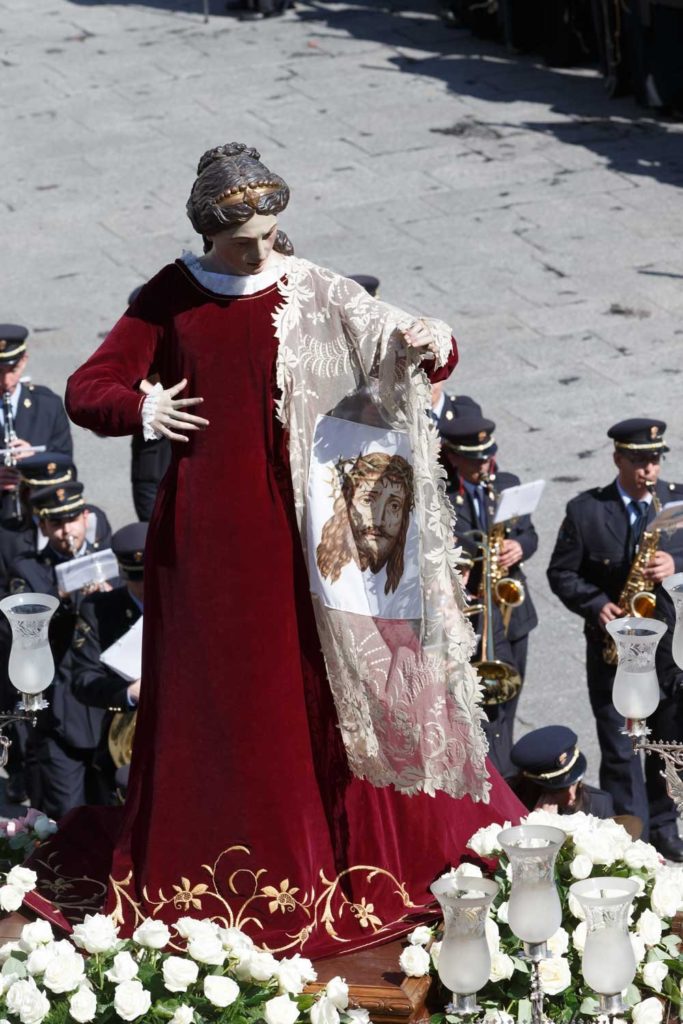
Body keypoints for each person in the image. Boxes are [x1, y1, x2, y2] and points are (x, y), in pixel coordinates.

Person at [37, 142, 522, 954]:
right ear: (210, 233)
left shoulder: (312, 289)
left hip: (299, 539)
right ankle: (213, 868)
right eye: (244, 237)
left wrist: (426, 348)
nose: (260, 248)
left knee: (306, 689)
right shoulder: (170, 296)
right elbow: (89, 388)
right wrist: (142, 408)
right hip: (202, 544)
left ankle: (327, 857)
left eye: (268, 231)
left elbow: (405, 342)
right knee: (218, 701)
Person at [547, 418, 683, 858]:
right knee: (623, 750)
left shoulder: (678, 503)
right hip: (614, 653)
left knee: (668, 744)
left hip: (667, 652)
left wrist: (674, 568)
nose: (650, 469)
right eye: (640, 460)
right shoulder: (586, 511)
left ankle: (664, 824)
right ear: (618, 459)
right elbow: (561, 572)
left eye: (655, 459)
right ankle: (635, 838)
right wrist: (595, 604)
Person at [439, 414, 538, 776]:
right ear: (454, 457)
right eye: (475, 459)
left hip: (512, 613)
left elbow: (530, 534)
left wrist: (518, 547)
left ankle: (509, 777)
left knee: (509, 701)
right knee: (479, 712)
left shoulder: (507, 485)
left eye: (487, 457)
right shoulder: (441, 497)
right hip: (473, 615)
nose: (484, 465)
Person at [6, 482, 111, 818]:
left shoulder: (108, 557)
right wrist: (59, 599)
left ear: (85, 517)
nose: (67, 531)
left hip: (107, 709)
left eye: (72, 520)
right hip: (61, 713)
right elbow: (24, 636)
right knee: (68, 816)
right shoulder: (29, 570)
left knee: (113, 810)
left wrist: (110, 597)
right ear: (44, 526)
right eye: (57, 524)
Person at [71, 523, 146, 801]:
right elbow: (83, 680)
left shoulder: (188, 603)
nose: (145, 586)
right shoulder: (98, 610)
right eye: (137, 579)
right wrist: (127, 693)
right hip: (124, 743)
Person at [0, 324, 73, 522]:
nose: (6, 381)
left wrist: (37, 460)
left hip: (39, 518)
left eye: (12, 369)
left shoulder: (48, 405)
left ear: (23, 361)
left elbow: (68, 468)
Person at [509, 725, 614, 818]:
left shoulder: (600, 806)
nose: (572, 797)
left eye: (575, 783)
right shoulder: (510, 804)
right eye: (558, 790)